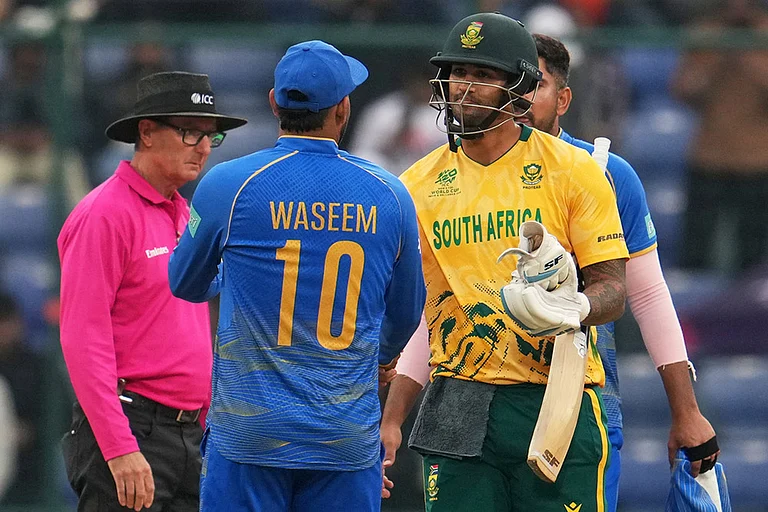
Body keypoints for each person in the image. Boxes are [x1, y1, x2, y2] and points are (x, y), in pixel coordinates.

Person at [382, 33, 721, 512]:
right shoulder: (425, 182)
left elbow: (644, 296)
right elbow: (433, 310)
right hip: (461, 395)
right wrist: (393, 413)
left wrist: (686, 411)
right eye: (464, 75)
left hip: (572, 390)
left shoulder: (599, 171)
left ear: (560, 97)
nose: (475, 89)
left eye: (533, 83)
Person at [167, 40, 425, 512]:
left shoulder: (229, 183)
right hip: (343, 433)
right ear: (344, 109)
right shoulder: (391, 194)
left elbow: (184, 282)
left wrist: (236, 273)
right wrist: (383, 358)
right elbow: (408, 308)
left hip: (249, 433)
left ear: (273, 102)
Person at [58, 71, 247, 512]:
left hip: (189, 434)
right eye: (189, 132)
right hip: (132, 426)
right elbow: (82, 339)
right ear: (146, 132)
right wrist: (119, 447)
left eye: (209, 136)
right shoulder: (103, 215)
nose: (203, 147)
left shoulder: (185, 213)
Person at [671, 0, 768, 273]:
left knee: (752, 259)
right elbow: (682, 88)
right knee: (695, 253)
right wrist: (718, 55)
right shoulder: (706, 33)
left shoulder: (765, 33)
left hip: (757, 162)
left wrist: (747, 54)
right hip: (709, 158)